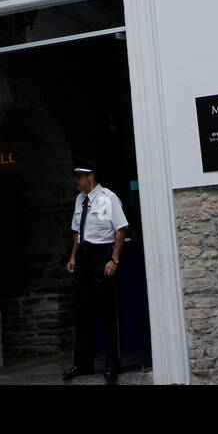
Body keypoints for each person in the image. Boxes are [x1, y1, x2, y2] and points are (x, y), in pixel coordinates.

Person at [63, 161, 128, 383]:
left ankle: (112, 365)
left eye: (79, 177)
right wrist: (73, 256)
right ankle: (82, 364)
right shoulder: (80, 199)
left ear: (90, 177)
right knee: (83, 312)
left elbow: (120, 229)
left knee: (108, 311)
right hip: (84, 256)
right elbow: (76, 231)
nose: (76, 181)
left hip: (102, 255)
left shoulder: (108, 199)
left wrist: (114, 259)